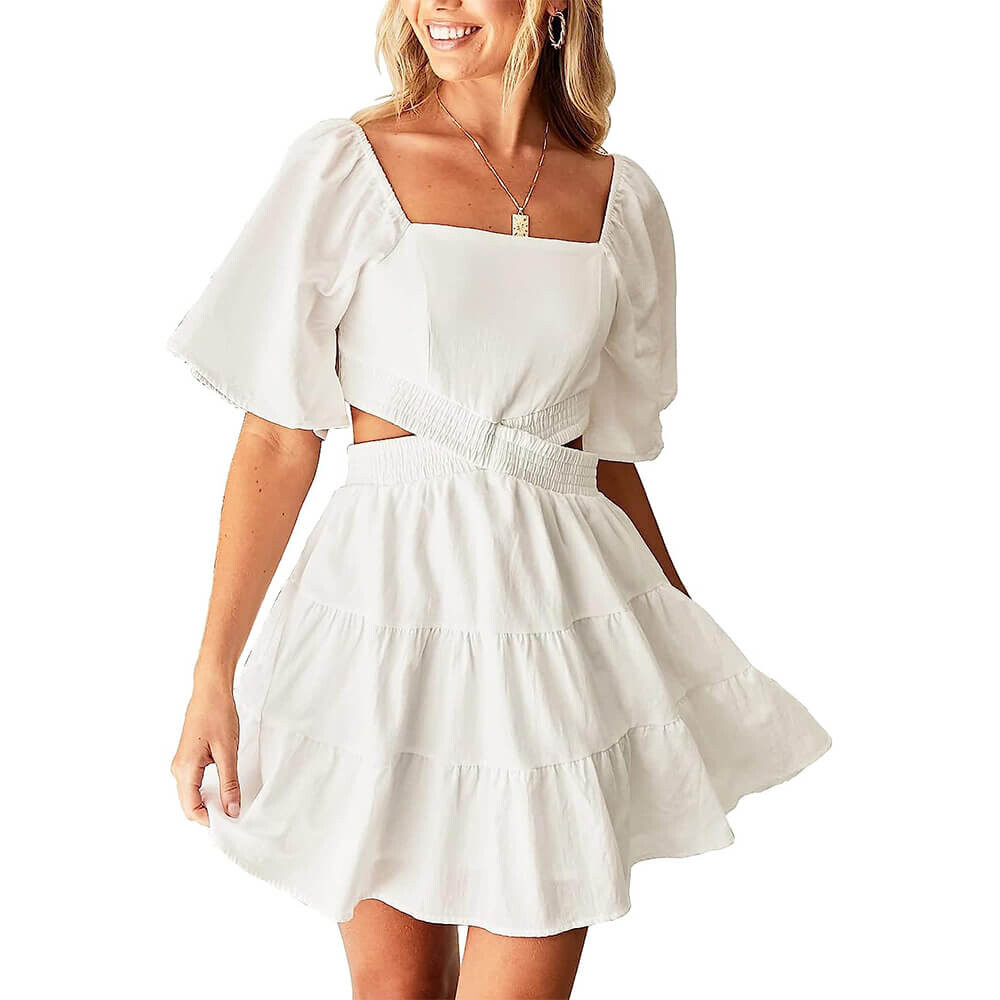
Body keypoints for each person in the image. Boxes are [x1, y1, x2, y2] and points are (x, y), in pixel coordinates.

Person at [167, 2, 831, 996]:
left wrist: (681, 641)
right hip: (382, 622)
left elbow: (604, 460)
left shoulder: (620, 202)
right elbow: (277, 435)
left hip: (548, 636)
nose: (440, 6)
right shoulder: (346, 167)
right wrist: (212, 672)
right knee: (396, 990)